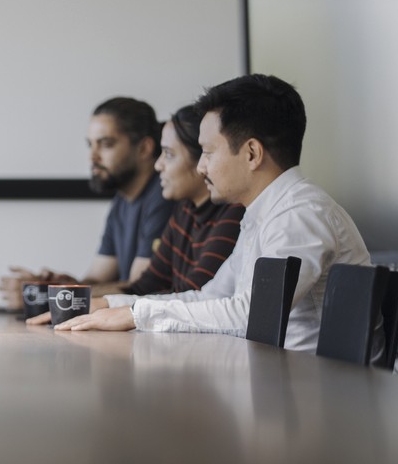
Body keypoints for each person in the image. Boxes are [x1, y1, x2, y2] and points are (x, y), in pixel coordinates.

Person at [58, 74, 372, 353]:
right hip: (279, 380)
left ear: (251, 153)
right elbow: (210, 297)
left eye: (208, 152)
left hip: (316, 393)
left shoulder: (298, 215)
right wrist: (114, 304)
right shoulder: (262, 215)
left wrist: (136, 314)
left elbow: (253, 315)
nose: (201, 166)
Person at [28, 105, 244, 325]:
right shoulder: (183, 210)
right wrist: (68, 298)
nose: (159, 165)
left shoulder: (231, 212)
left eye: (168, 154)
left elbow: (193, 295)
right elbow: (145, 286)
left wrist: (113, 308)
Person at [0, 97, 174, 306]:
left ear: (144, 148)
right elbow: (98, 279)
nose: (92, 157)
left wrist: (47, 295)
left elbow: (140, 288)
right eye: (90, 145)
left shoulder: (165, 195)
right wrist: (59, 285)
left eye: (106, 144)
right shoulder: (121, 201)